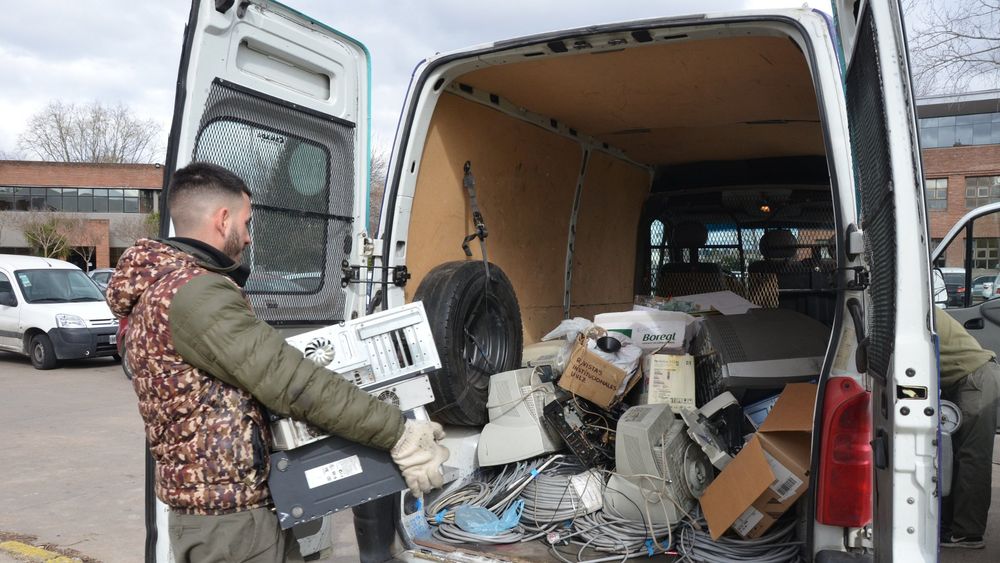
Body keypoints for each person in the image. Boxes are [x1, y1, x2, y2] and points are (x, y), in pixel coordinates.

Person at [106, 162, 449, 562]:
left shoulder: (162, 289)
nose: (249, 238)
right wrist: (399, 433)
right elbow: (290, 382)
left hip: (223, 513)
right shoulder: (194, 294)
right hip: (233, 525)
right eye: (247, 223)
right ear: (222, 219)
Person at [936, 306, 1000, 549]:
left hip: (976, 378)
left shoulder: (908, 307)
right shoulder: (914, 304)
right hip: (972, 378)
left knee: (972, 458)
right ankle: (955, 526)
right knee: (960, 459)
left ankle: (968, 533)